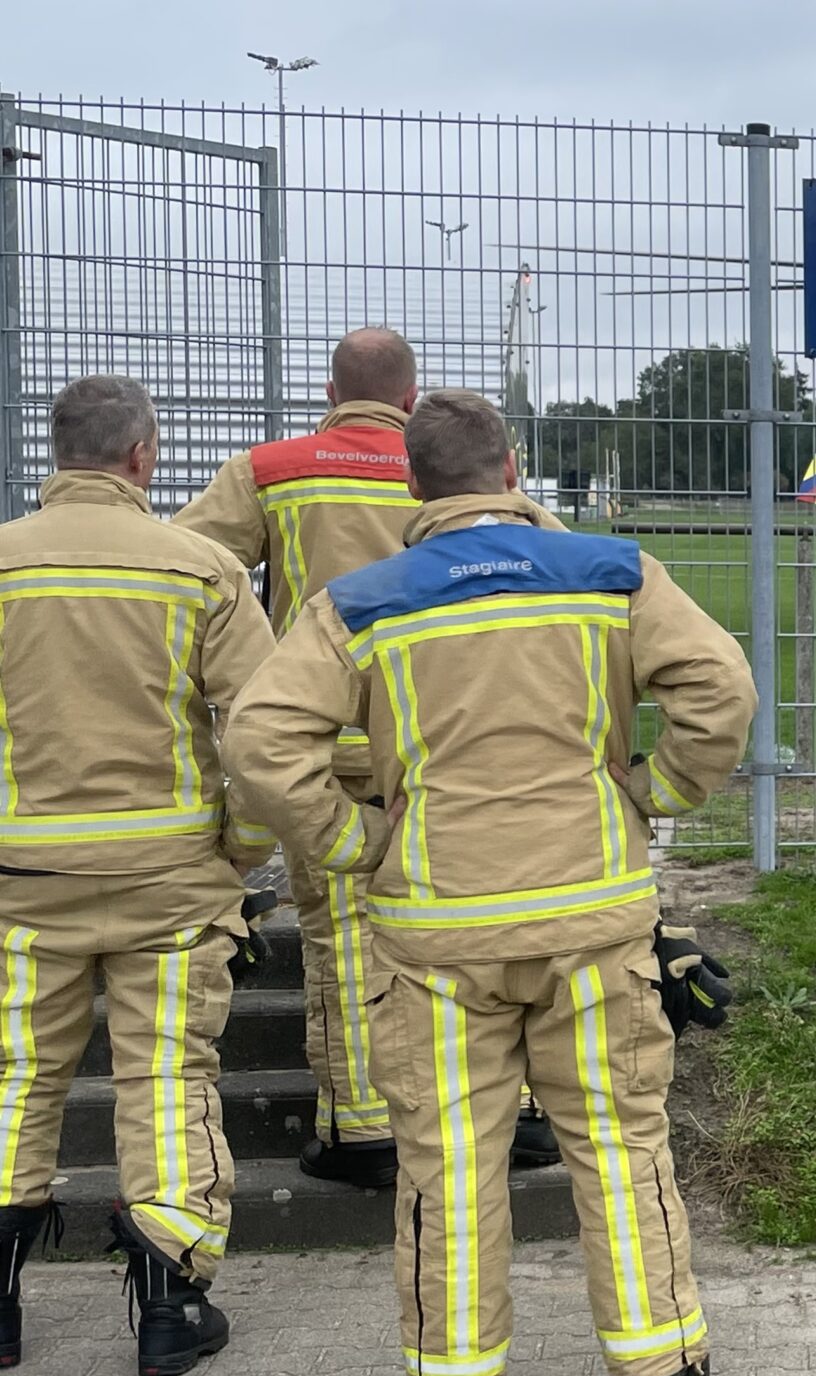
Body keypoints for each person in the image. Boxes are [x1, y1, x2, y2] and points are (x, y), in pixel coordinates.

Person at [225, 390, 754, 1376]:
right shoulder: (612, 572)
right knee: (618, 1140)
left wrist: (350, 843)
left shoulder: (359, 603)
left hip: (434, 932)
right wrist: (654, 794)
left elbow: (259, 742)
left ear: (412, 487)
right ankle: (654, 1365)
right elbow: (720, 690)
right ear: (512, 468)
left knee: (446, 1157)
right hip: (594, 919)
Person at [175, 328, 561, 1189]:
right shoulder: (467, 466)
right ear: (410, 393)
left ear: (327, 388)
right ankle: (527, 1118)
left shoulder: (273, 469)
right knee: (506, 930)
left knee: (346, 944)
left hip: (334, 752)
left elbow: (188, 562)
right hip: (458, 745)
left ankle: (365, 1130)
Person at [0, 377, 277, 1376]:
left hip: (20, 883)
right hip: (172, 887)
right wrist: (239, 851)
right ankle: (169, 1310)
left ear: (58, 453)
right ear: (144, 456)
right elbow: (261, 736)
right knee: (167, 1080)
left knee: (14, 1080)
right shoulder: (201, 570)